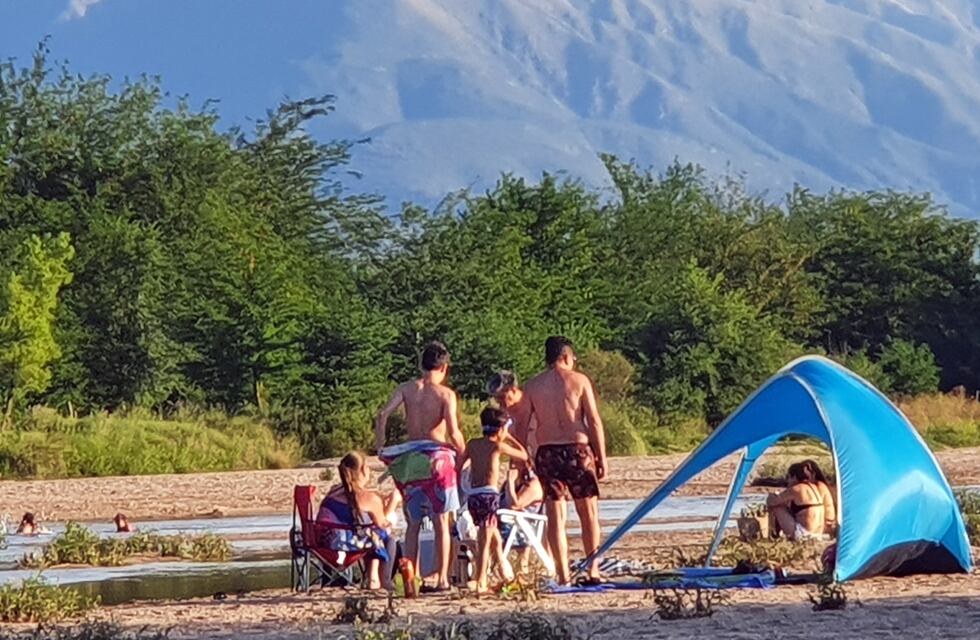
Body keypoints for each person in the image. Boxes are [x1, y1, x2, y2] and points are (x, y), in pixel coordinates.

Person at [375, 341, 466, 593]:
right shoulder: (445, 394)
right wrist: (464, 453)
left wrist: (380, 446)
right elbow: (454, 432)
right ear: (444, 367)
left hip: (412, 456)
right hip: (437, 455)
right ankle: (443, 579)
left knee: (413, 522)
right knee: (441, 522)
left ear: (421, 364)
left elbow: (383, 414)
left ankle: (409, 578)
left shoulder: (407, 389)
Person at [524, 336, 607, 585]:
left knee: (556, 515)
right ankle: (593, 569)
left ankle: (562, 575)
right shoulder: (579, 380)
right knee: (588, 512)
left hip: (548, 452)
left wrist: (524, 458)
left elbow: (524, 424)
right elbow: (593, 420)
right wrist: (601, 455)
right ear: (566, 357)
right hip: (577, 450)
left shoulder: (533, 386)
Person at [457, 406, 528, 592]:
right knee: (485, 538)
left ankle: (504, 570)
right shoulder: (497, 446)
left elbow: (460, 465)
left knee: (489, 530)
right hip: (489, 494)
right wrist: (511, 438)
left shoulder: (472, 444)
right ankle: (481, 580)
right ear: (501, 429)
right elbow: (524, 455)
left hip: (473, 495)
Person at [317, 452, 398, 590]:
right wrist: (394, 502)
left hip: (324, 542)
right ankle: (382, 580)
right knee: (386, 537)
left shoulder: (334, 491)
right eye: (367, 467)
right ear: (362, 470)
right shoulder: (369, 498)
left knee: (368, 530)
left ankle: (371, 577)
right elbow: (383, 524)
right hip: (346, 545)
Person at [766, 459, 837, 540]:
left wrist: (771, 495)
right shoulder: (814, 487)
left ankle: (773, 534)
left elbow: (772, 502)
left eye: (789, 477)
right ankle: (775, 533)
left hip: (806, 535)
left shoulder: (796, 489)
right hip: (819, 533)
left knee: (777, 507)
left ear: (794, 477)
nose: (788, 481)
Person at [499, 461, 545, 574]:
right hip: (507, 522)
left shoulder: (533, 484)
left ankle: (498, 569)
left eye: (516, 463)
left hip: (523, 527)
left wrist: (510, 482)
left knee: (489, 533)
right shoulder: (514, 483)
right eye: (511, 463)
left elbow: (515, 505)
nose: (512, 467)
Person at [486, 370, 536, 452]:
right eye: (496, 398)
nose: (499, 402)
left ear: (513, 390)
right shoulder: (503, 416)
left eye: (502, 397)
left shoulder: (535, 405)